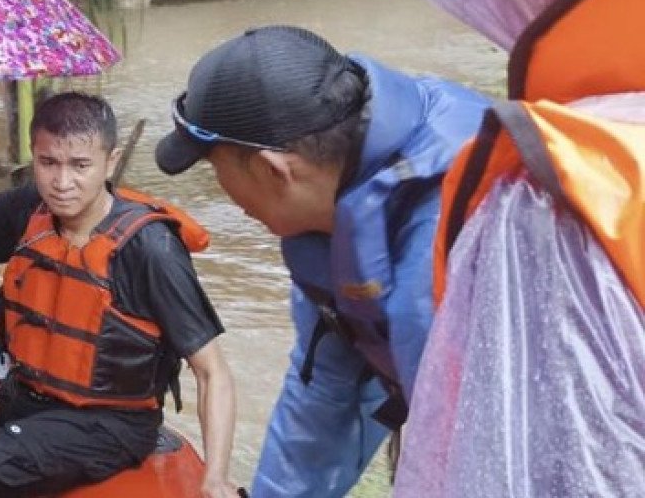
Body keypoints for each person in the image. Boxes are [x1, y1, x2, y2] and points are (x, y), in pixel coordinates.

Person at [154, 25, 488, 497]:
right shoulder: (334, 213)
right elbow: (326, 395)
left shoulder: (456, 231)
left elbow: (480, 450)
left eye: (217, 170)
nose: (226, 197)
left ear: (274, 169)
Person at [0, 91, 241, 498]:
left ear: (110, 162)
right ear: (34, 156)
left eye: (80, 166)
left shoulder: (149, 248)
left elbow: (212, 371)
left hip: (107, 424)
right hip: (25, 395)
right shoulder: (27, 209)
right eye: (48, 163)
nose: (62, 183)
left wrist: (215, 477)